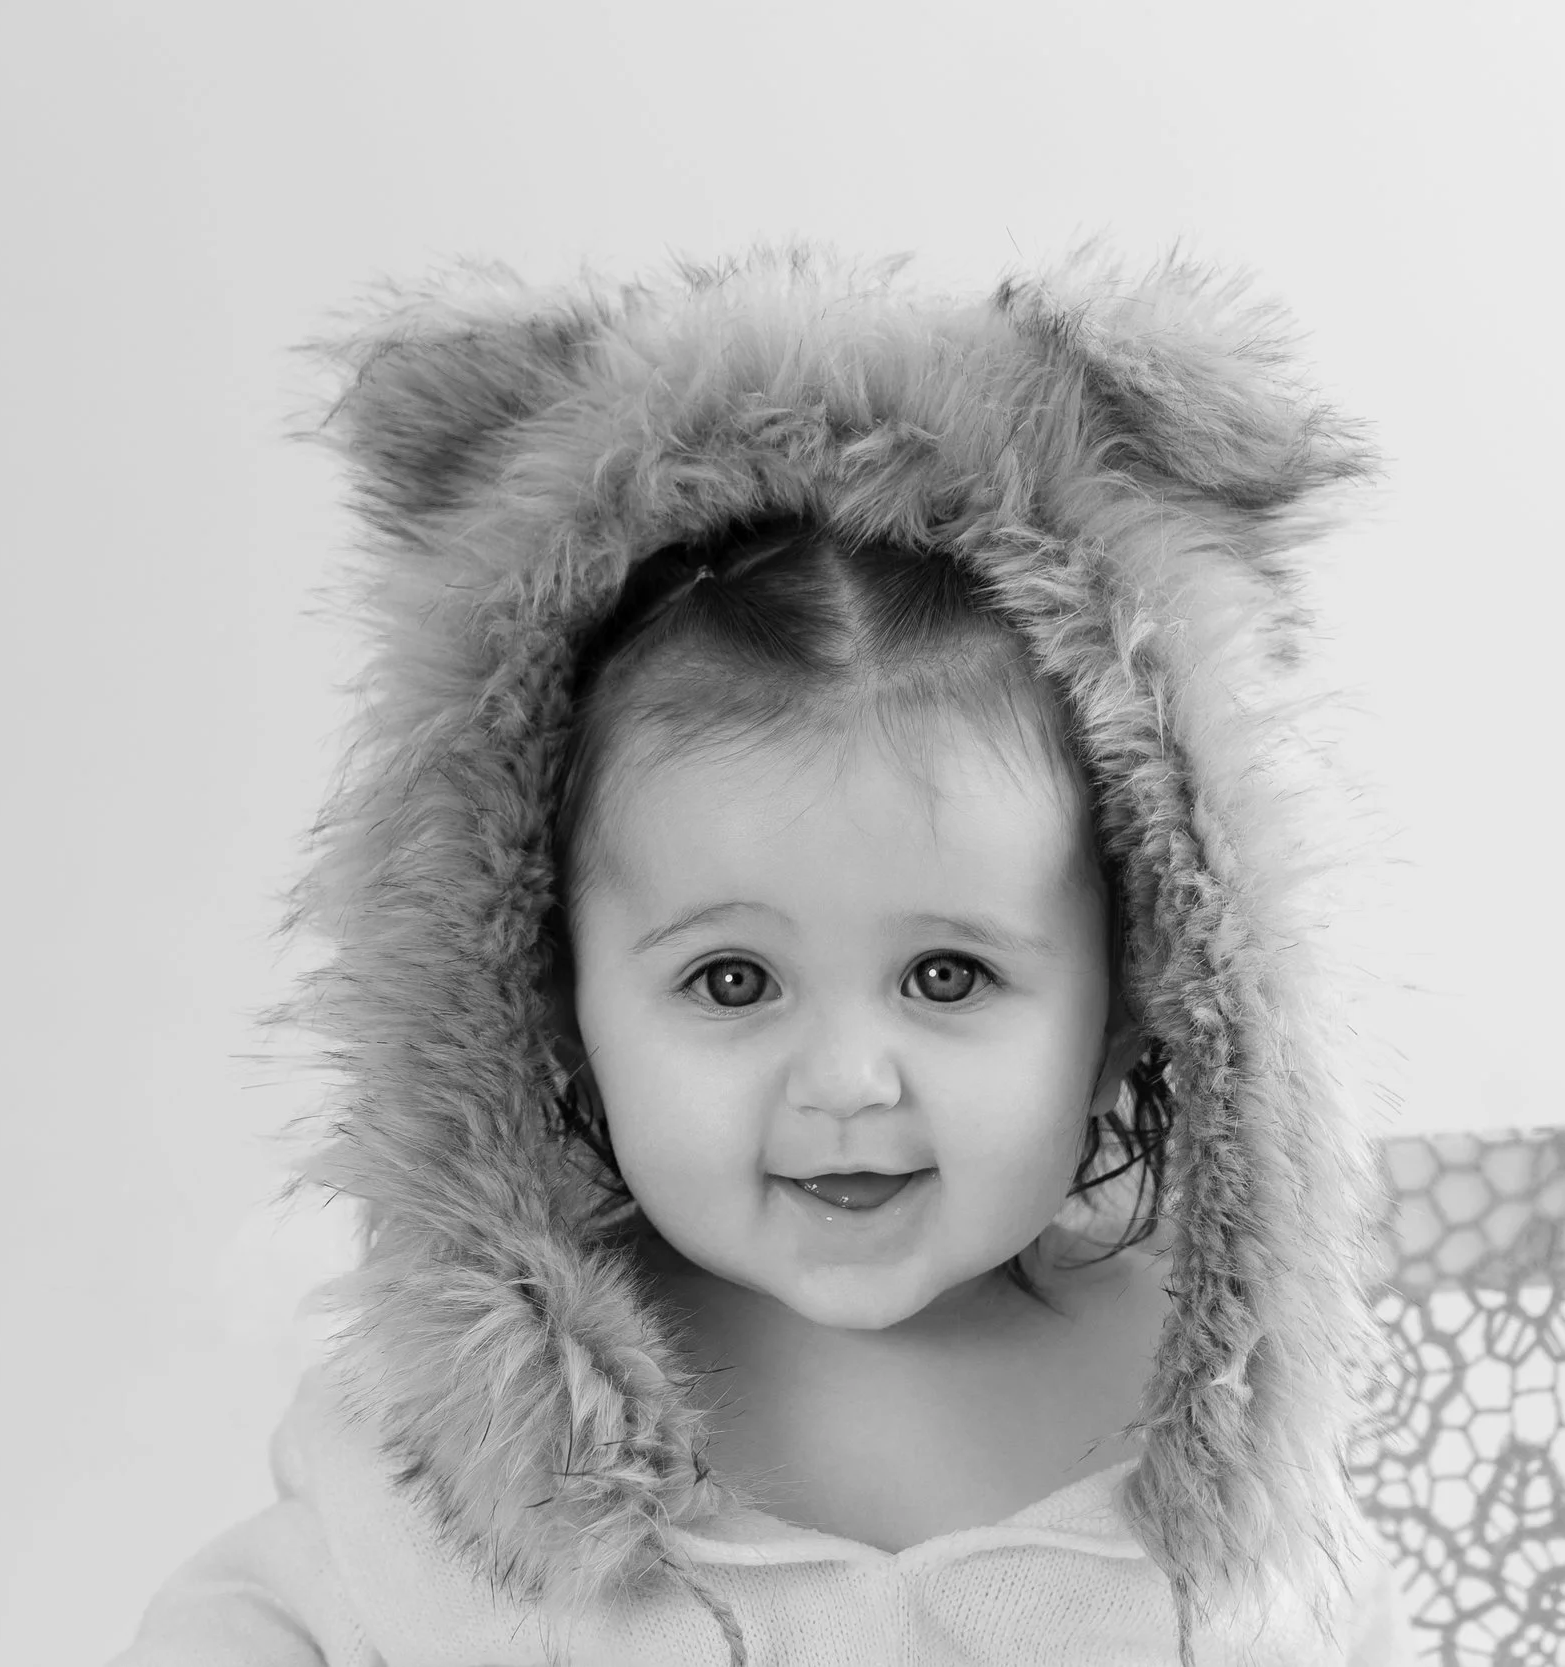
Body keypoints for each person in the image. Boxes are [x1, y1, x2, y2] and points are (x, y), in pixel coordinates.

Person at [111, 249, 1415, 1666]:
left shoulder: (1212, 1438)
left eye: (948, 976)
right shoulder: (451, 1461)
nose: (849, 1079)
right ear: (549, 1005)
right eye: (731, 980)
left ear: (1138, 995)